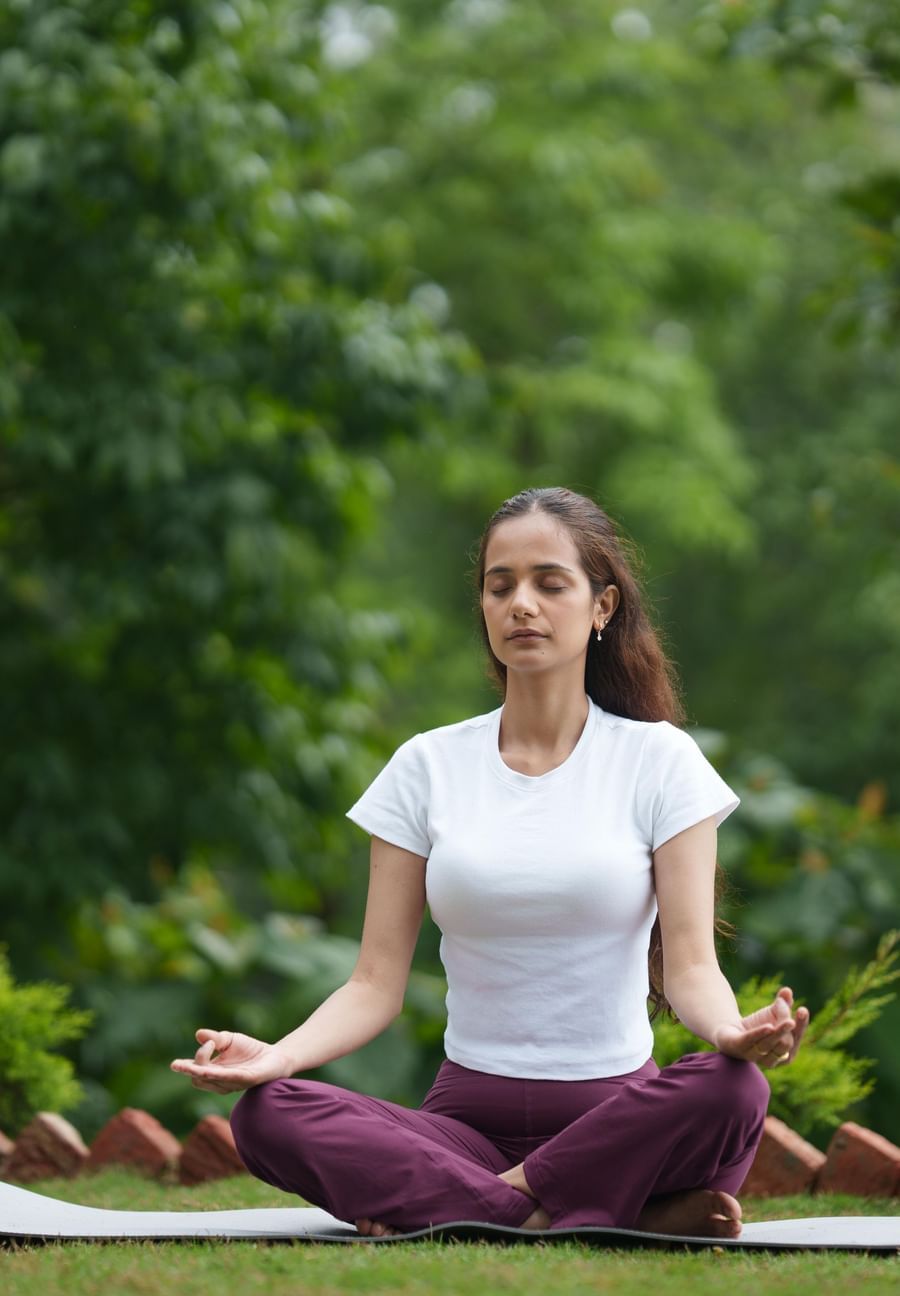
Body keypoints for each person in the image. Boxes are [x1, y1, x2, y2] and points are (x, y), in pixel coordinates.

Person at [171, 486, 809, 1240]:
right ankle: (600, 1213)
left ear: (601, 607)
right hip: (464, 1125)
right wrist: (275, 1058)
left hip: (618, 1121)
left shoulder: (660, 761)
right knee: (271, 1114)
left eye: (549, 582)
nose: (521, 604)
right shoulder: (426, 767)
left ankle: (480, 1204)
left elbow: (691, 969)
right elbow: (374, 984)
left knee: (733, 1091)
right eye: (499, 586)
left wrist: (732, 1034)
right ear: (481, 607)